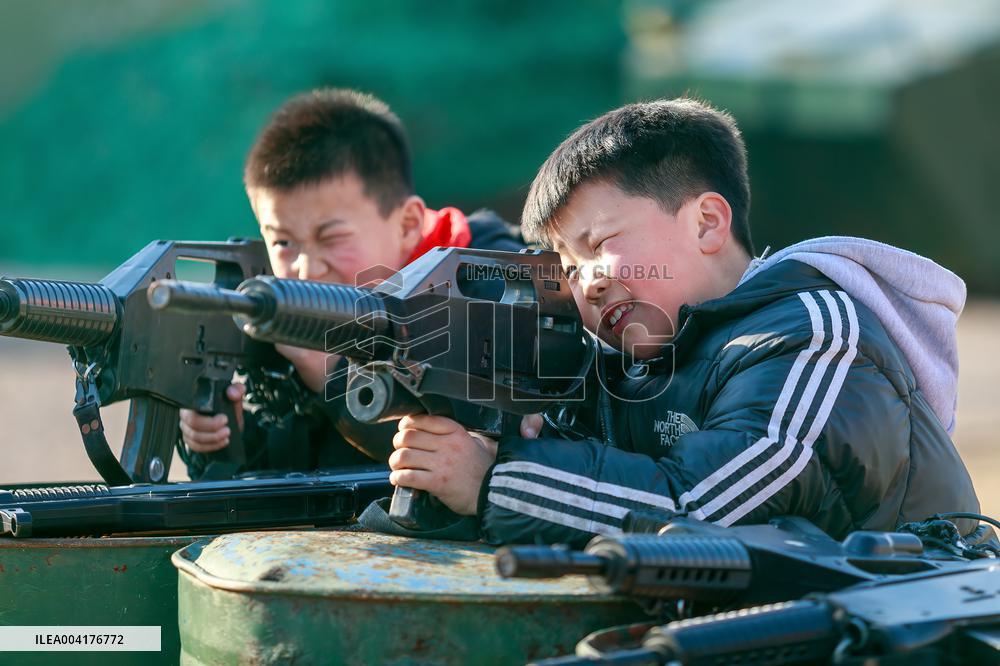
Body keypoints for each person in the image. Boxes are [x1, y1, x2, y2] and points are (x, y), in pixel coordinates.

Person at [389, 98, 984, 546]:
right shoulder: (630, 358)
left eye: (601, 243)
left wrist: (497, 480)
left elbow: (700, 511)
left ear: (706, 223)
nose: (587, 280)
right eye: (568, 266)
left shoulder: (813, 333)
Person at [180, 88, 523, 478]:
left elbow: (456, 451)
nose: (307, 269)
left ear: (408, 224)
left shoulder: (496, 288)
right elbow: (302, 483)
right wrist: (228, 437)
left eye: (331, 238)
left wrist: (331, 373)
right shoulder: (277, 310)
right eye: (283, 242)